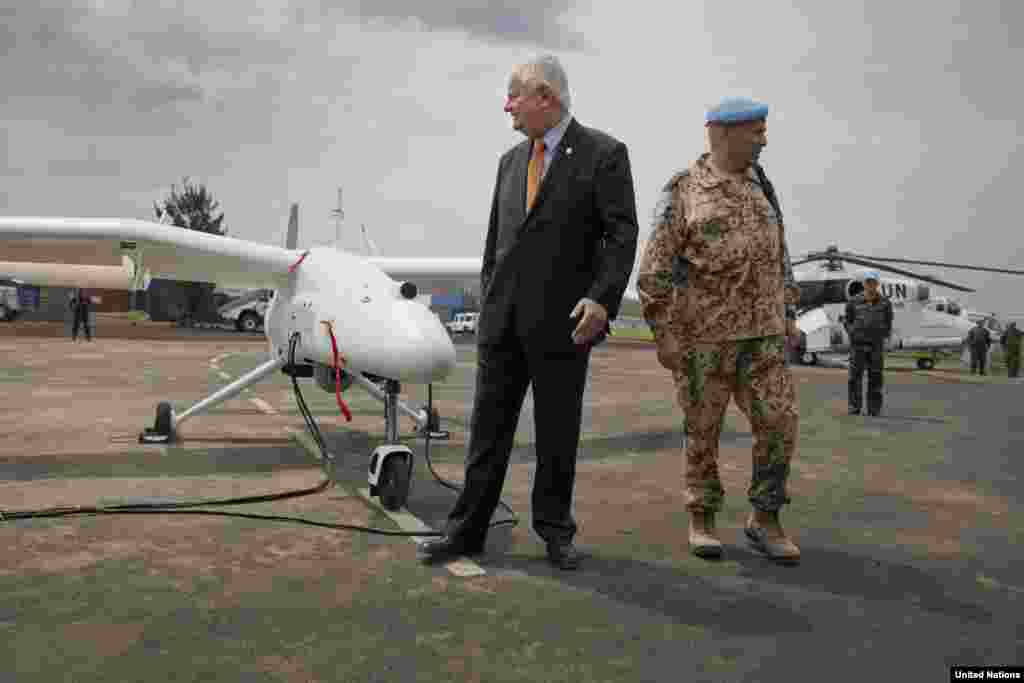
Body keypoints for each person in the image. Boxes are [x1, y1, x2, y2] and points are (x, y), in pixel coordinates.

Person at [418, 55, 639, 570]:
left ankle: (556, 531)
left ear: (546, 97)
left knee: (557, 434)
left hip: (565, 325)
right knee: (486, 434)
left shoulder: (604, 154)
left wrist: (602, 298)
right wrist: (489, 300)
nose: (507, 105)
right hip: (502, 324)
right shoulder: (510, 162)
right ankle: (465, 530)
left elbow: (621, 236)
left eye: (514, 95)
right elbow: (496, 243)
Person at [637, 97, 802, 564]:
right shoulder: (684, 190)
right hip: (703, 340)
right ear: (723, 133)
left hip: (764, 338)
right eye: (756, 130)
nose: (764, 139)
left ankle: (765, 519)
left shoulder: (762, 187)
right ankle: (702, 517)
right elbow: (654, 270)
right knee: (703, 430)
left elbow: (780, 252)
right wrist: (663, 332)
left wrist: (788, 310)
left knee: (780, 424)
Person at [844, 271, 893, 415]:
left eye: (873, 282)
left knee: (876, 376)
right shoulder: (853, 301)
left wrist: (884, 334)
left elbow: (888, 321)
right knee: (854, 377)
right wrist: (852, 332)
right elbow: (847, 320)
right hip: (858, 345)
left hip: (876, 345)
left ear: (877, 284)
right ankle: (854, 407)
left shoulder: (885, 302)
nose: (870, 285)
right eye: (868, 282)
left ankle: (874, 409)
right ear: (864, 284)